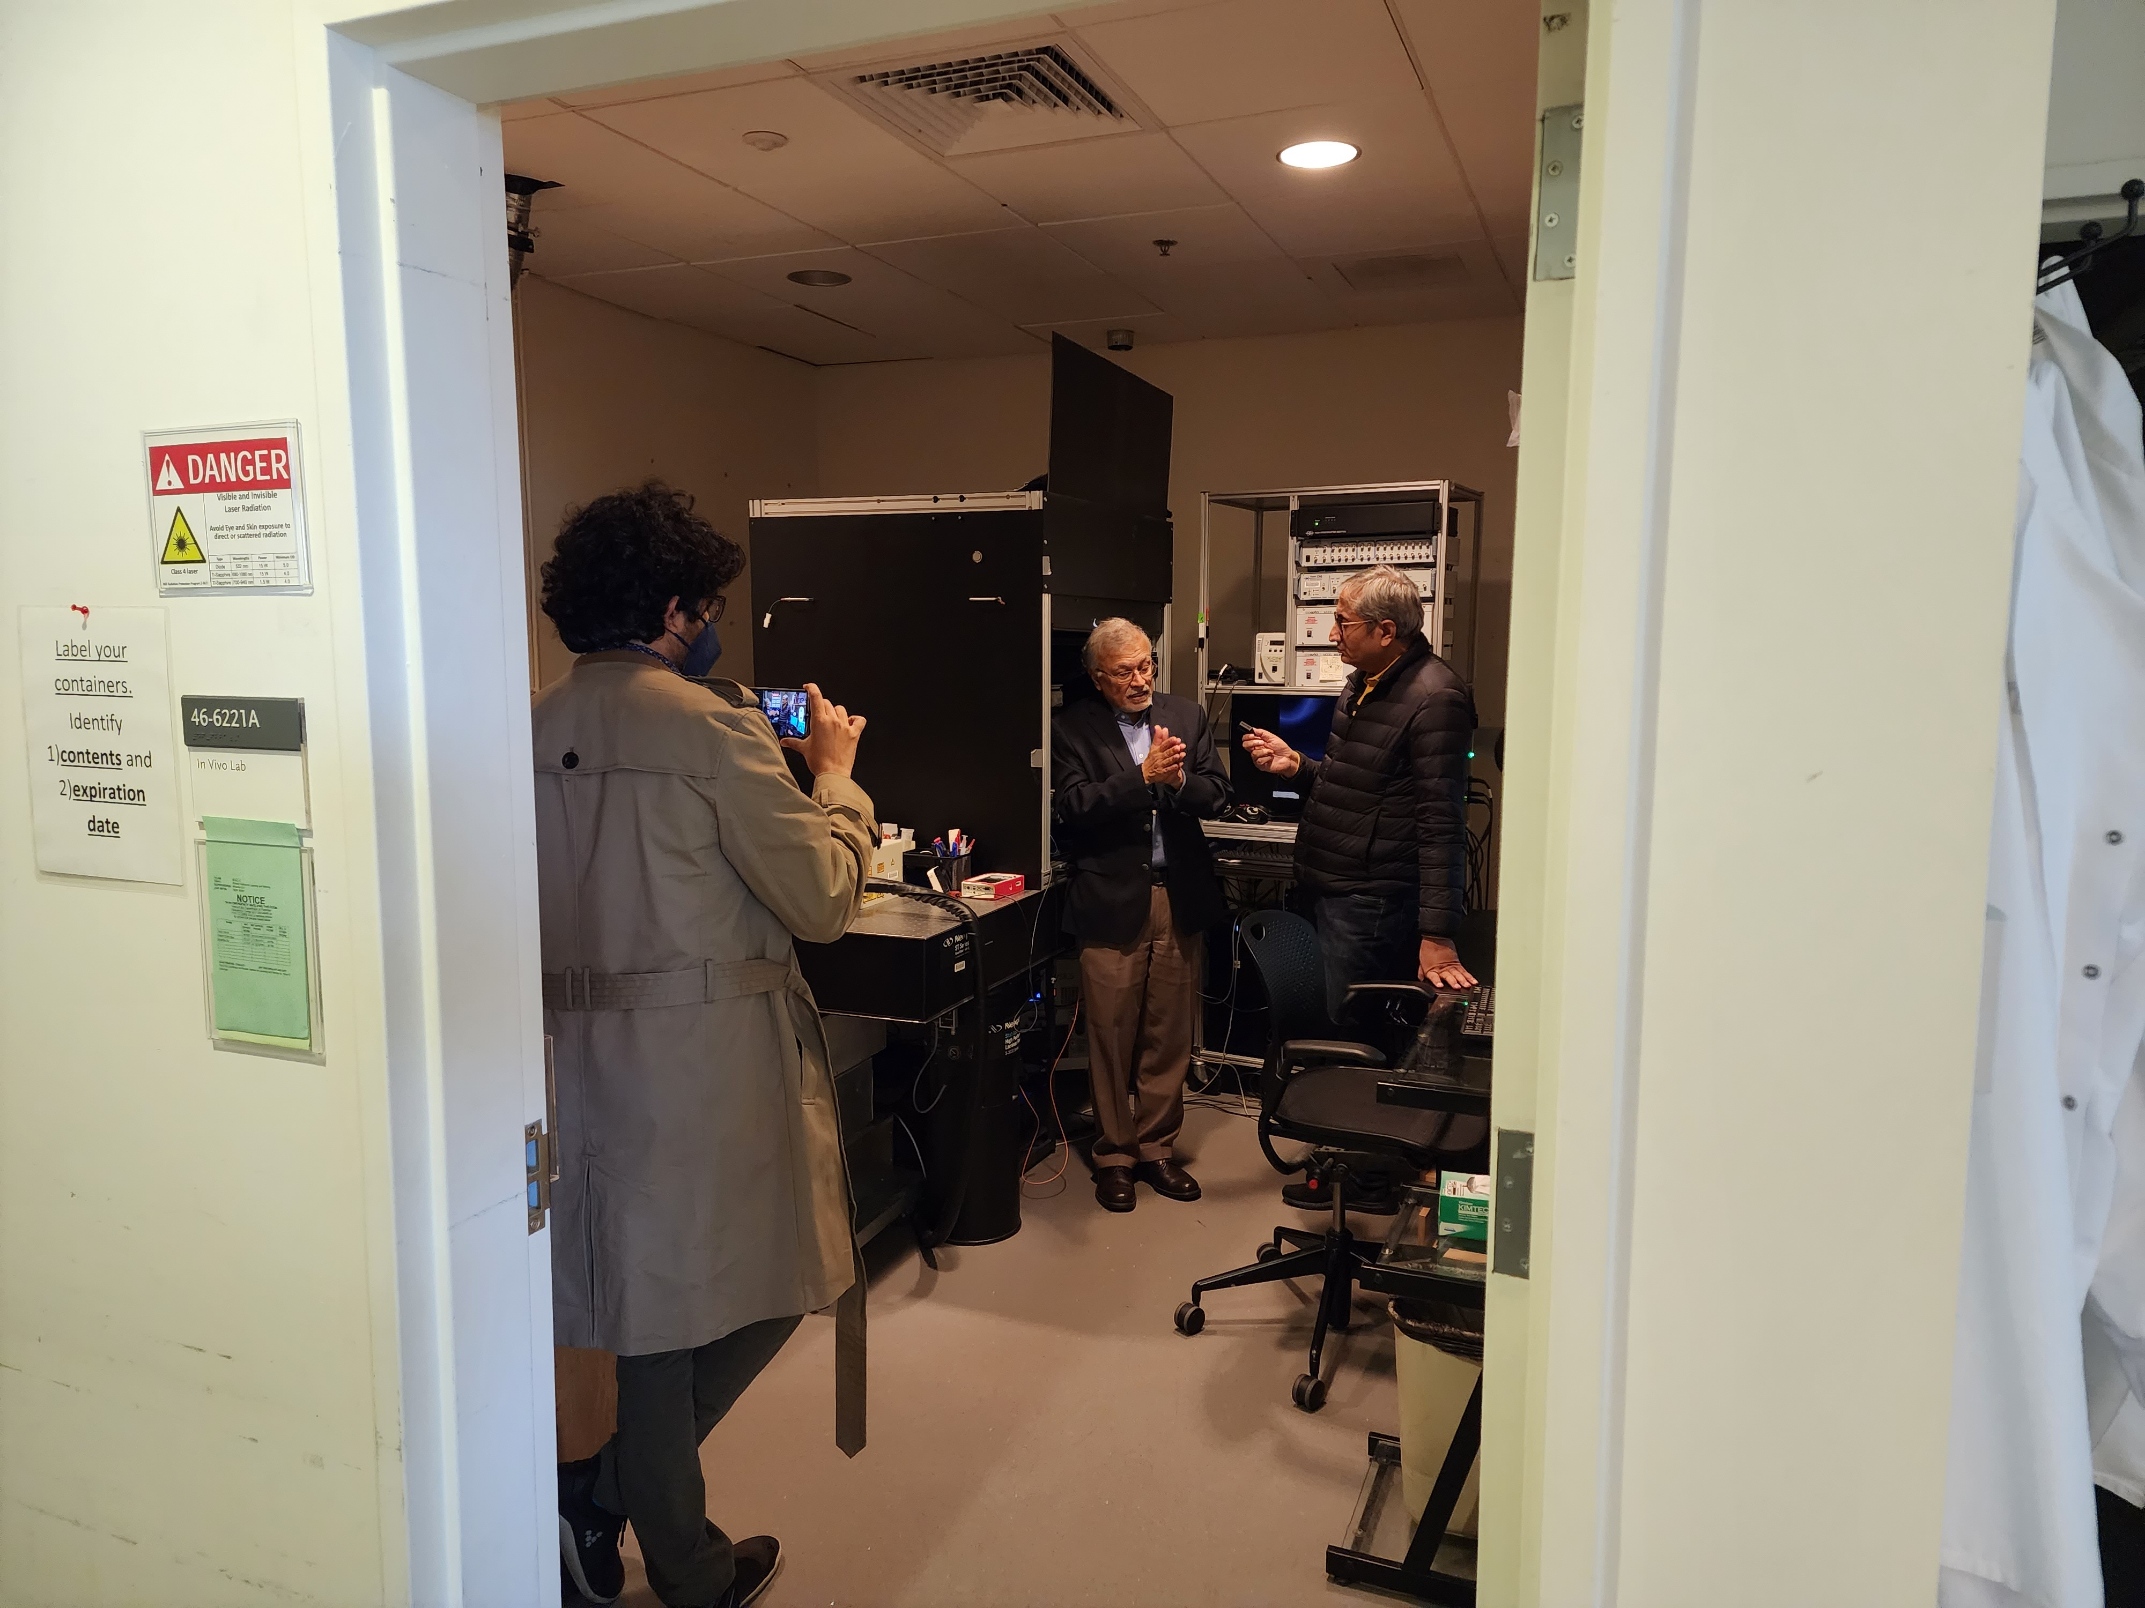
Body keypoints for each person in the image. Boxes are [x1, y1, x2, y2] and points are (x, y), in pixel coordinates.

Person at [533, 482, 875, 1608]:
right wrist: (835, 778)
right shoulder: (712, 725)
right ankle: (657, 1526)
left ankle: (636, 1517)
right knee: (792, 1272)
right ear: (677, 609)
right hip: (704, 1071)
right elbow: (823, 898)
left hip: (566, 1074)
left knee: (644, 1314)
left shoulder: (529, 726)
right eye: (710, 603)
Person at [1240, 564, 1477, 1019]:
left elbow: (1441, 822)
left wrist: (1438, 934)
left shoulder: (1436, 697)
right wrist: (1295, 765)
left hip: (1368, 905)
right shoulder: (1364, 682)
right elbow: (1353, 785)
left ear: (1385, 631)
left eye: (1343, 623)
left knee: (1346, 1031)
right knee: (1317, 1022)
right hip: (1329, 888)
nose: (1332, 634)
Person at [1052, 618, 1230, 1212]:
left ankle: (1156, 1149)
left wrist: (1178, 781)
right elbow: (1072, 808)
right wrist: (1139, 780)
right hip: (1110, 899)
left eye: (1147, 664)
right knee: (1109, 1032)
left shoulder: (1186, 716)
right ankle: (1115, 1155)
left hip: (1176, 895)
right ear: (1098, 677)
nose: (1140, 679)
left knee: (1168, 1031)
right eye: (1125, 671)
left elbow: (1217, 793)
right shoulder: (1068, 727)